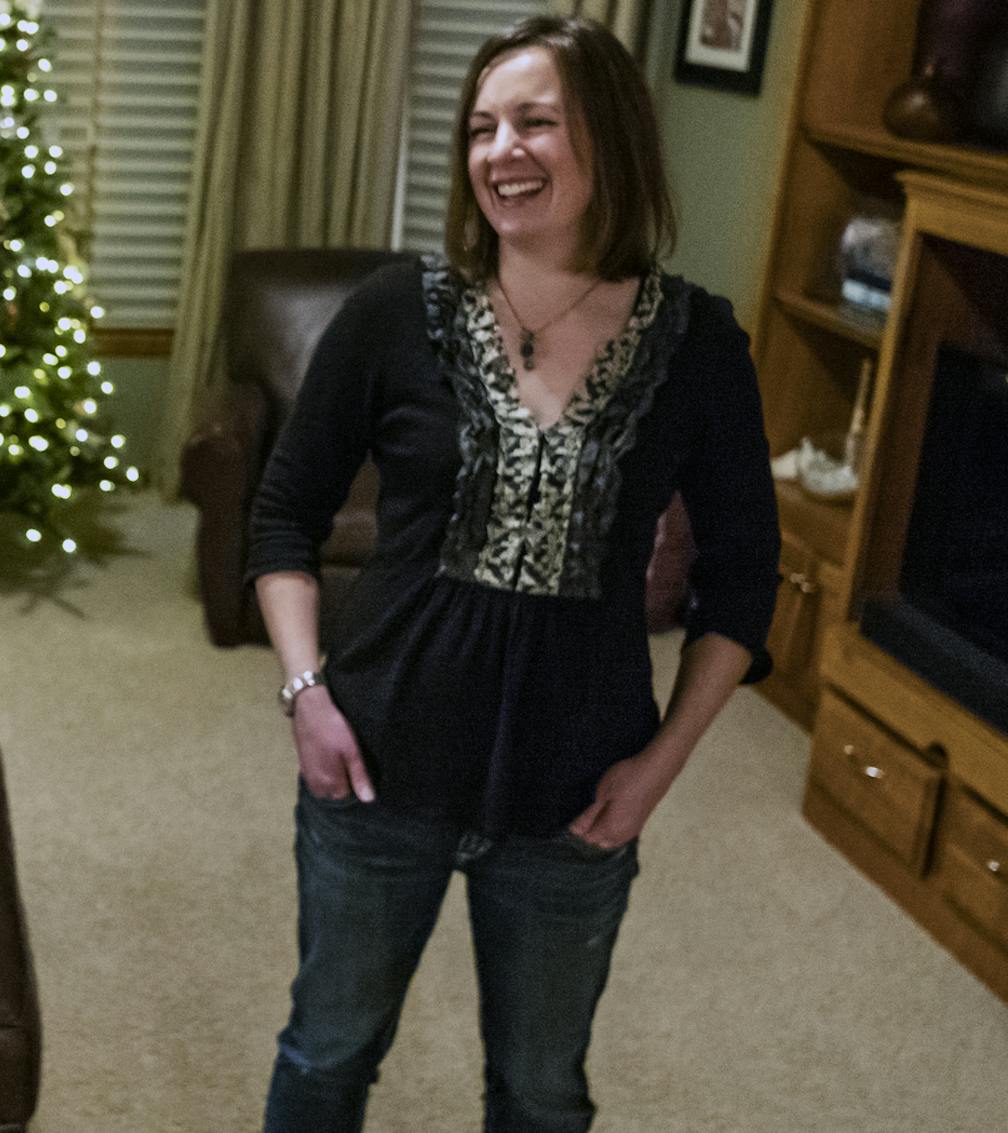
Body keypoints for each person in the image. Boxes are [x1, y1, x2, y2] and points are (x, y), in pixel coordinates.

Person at [246, 17, 777, 1133]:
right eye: (482, 127)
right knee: (326, 1052)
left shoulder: (701, 346)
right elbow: (284, 515)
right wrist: (306, 696)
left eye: (535, 121)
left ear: (611, 142)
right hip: (376, 760)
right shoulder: (396, 310)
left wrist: (660, 766)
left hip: (577, 790)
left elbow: (743, 582)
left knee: (541, 1089)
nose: (501, 149)